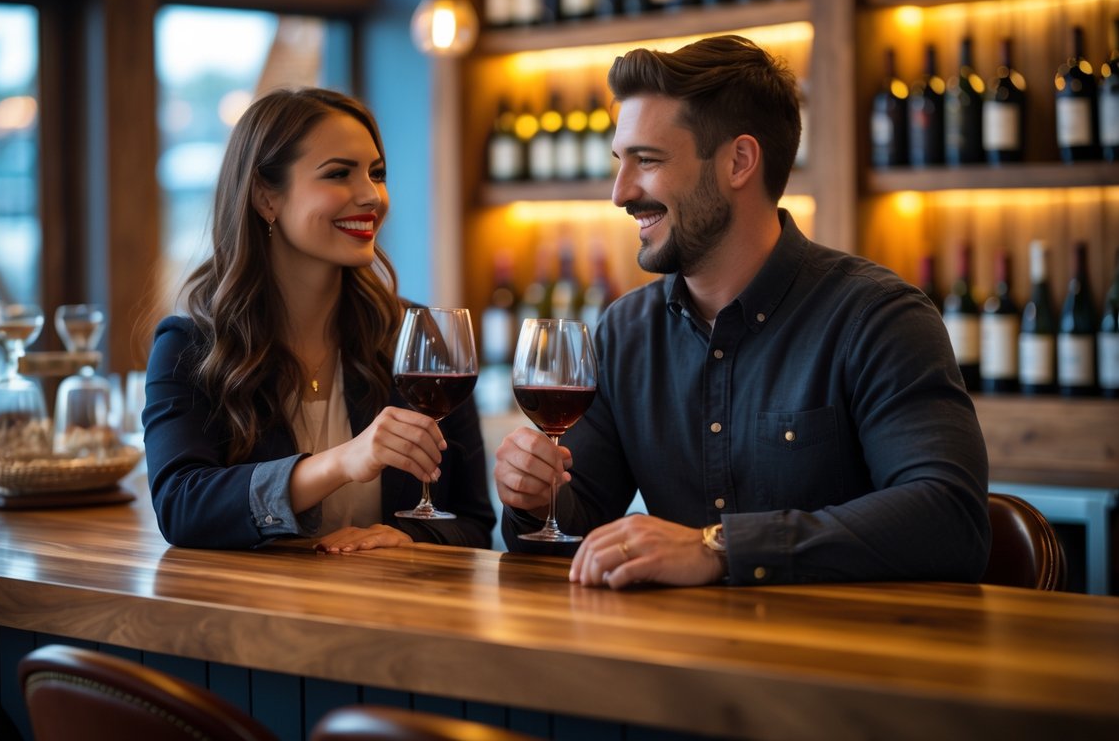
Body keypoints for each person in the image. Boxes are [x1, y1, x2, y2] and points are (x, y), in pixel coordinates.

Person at [494, 35, 991, 588]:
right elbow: (570, 533)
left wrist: (718, 547)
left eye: (648, 161)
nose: (620, 192)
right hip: (682, 667)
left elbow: (950, 519)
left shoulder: (877, 319)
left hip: (845, 662)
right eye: (620, 162)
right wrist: (537, 498)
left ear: (739, 161)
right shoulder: (624, 333)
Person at [143, 88, 493, 551]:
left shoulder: (416, 339)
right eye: (338, 174)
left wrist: (408, 538)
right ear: (267, 198)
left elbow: (473, 523)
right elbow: (181, 506)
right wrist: (344, 461)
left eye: (377, 173)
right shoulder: (190, 346)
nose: (371, 196)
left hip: (394, 615)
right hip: (253, 619)